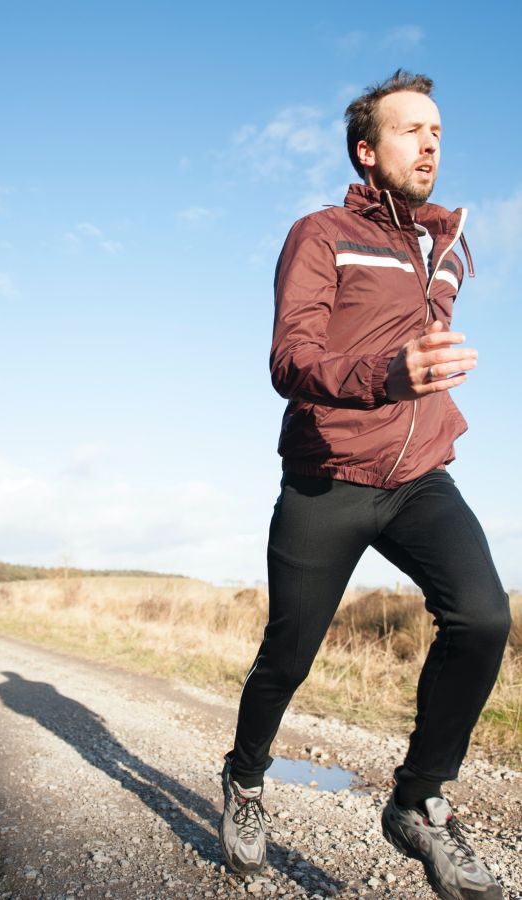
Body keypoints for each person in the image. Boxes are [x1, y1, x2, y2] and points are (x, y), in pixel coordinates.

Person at [219, 69, 511, 900]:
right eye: (411, 129)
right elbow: (291, 359)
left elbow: (427, 344)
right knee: (289, 653)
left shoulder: (447, 246)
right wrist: (389, 372)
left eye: (439, 132)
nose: (430, 143)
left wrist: (423, 376)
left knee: (484, 616)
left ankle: (418, 802)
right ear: (367, 148)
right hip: (329, 476)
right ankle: (245, 776)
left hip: (420, 475)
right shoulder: (320, 233)